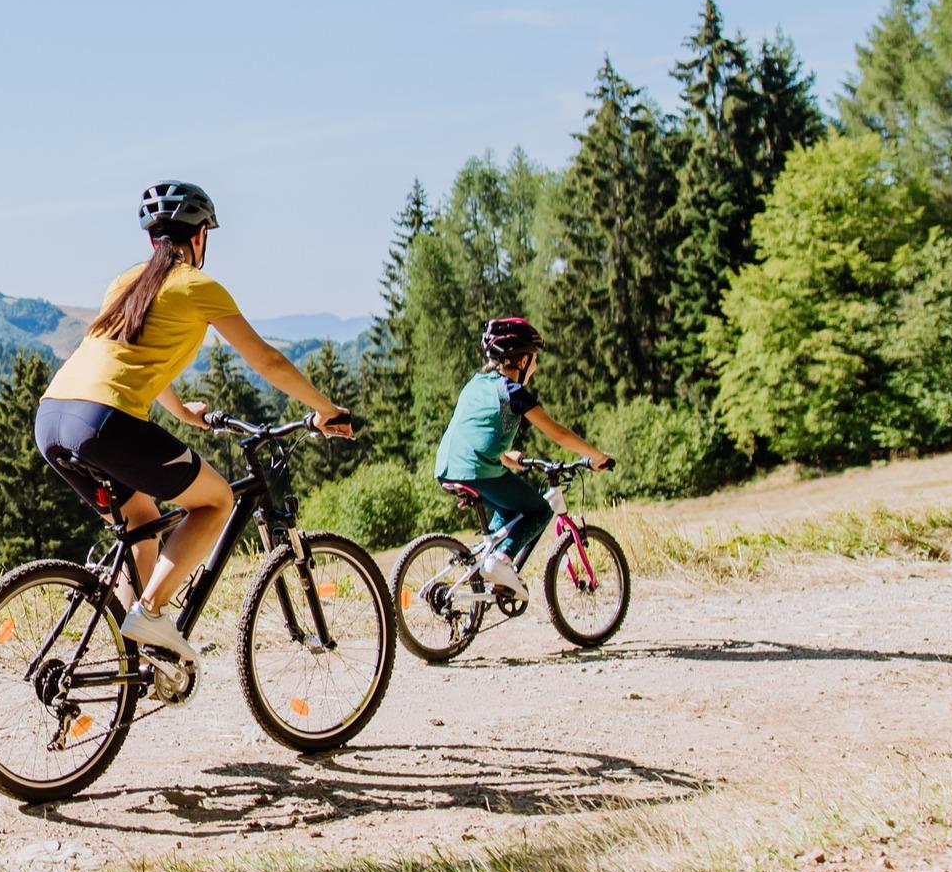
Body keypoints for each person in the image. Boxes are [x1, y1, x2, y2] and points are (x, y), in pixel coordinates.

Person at [33, 180, 355, 665]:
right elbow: (267, 360)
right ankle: (150, 612)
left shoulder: (125, 282)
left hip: (53, 417)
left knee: (142, 523)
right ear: (200, 235)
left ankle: (135, 655)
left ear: (151, 241)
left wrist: (182, 412)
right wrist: (326, 408)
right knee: (216, 500)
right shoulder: (198, 286)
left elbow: (133, 357)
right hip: (103, 420)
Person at [431, 317, 613, 596]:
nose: (536, 366)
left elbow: (475, 430)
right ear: (523, 360)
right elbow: (559, 434)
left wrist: (504, 457)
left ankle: (483, 559)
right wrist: (597, 456)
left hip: (447, 466)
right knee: (539, 510)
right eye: (535, 359)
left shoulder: (477, 382)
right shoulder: (513, 392)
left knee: (509, 510)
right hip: (476, 469)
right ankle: (501, 561)